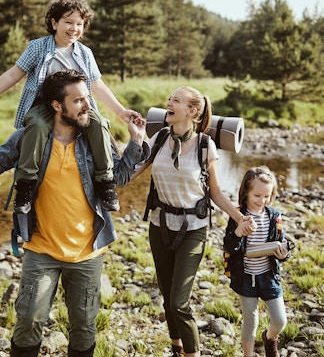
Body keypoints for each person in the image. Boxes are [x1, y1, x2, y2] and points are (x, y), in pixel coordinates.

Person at [0, 70, 148, 357]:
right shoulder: (30, 137)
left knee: (83, 326)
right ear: (57, 105)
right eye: (78, 100)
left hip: (87, 252)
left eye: (87, 98)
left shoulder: (95, 140)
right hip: (41, 248)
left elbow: (120, 177)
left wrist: (136, 140)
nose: (87, 106)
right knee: (29, 319)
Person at [133, 86, 256, 357]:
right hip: (160, 225)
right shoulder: (159, 138)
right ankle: (176, 346)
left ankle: (192, 352)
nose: (168, 103)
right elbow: (132, 171)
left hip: (193, 230)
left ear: (192, 111)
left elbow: (215, 192)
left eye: (175, 100)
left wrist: (239, 217)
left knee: (179, 302)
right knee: (167, 299)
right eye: (168, 99)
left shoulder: (204, 145)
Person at [0, 0, 138, 215]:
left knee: (99, 124)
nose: (74, 28)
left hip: (80, 106)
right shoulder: (37, 47)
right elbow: (13, 75)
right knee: (35, 126)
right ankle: (25, 185)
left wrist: (121, 112)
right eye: (68, 22)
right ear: (54, 23)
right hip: (45, 105)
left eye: (79, 24)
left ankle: (105, 182)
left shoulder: (85, 53)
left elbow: (98, 85)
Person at [223, 166, 292, 357]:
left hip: (268, 276)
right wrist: (238, 232)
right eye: (257, 195)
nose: (262, 201)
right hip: (246, 277)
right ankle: (248, 355)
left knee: (279, 320)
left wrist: (283, 253)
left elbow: (283, 243)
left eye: (267, 196)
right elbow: (229, 246)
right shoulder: (238, 215)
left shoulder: (274, 217)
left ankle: (269, 339)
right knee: (250, 321)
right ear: (246, 192)